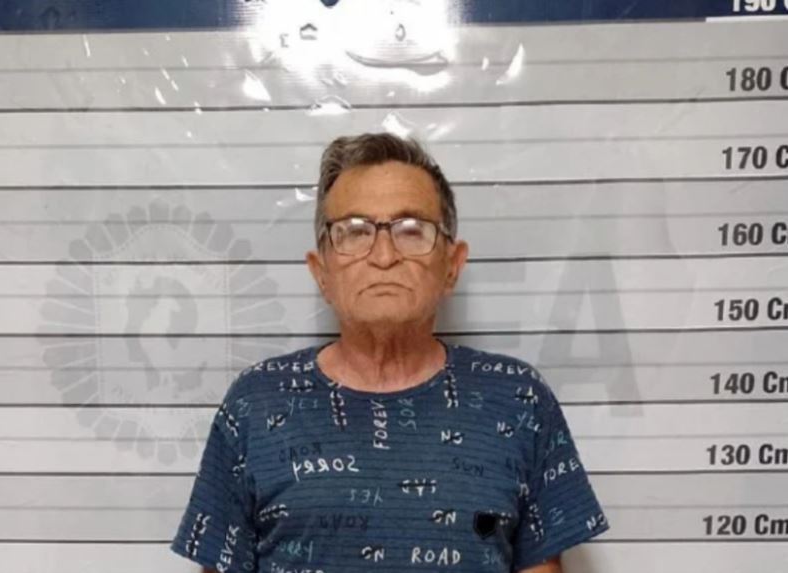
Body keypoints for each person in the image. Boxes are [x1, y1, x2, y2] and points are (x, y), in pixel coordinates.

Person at [170, 132, 610, 572]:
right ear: (321, 271)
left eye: (411, 230)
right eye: (355, 231)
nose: (384, 256)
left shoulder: (518, 399)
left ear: (452, 264)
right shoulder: (256, 403)